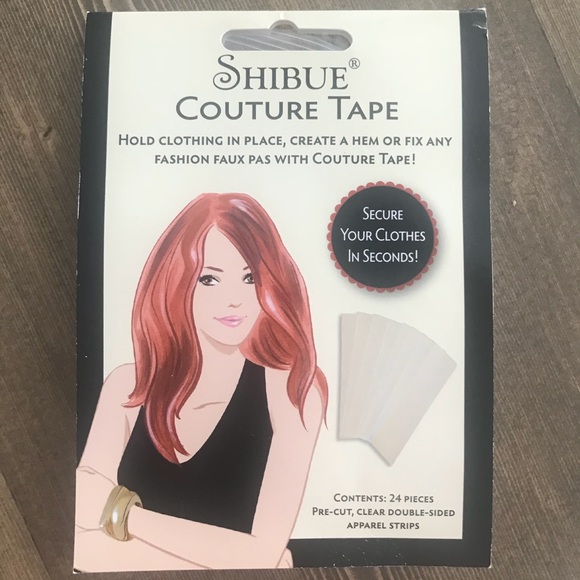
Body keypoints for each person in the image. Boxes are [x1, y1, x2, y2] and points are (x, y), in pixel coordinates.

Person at [74, 193, 328, 571]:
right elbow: (78, 543)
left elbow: (261, 555)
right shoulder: (128, 386)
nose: (234, 300)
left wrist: (123, 514)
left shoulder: (292, 391)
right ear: (175, 281)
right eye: (209, 279)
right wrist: (233, 555)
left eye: (249, 278)